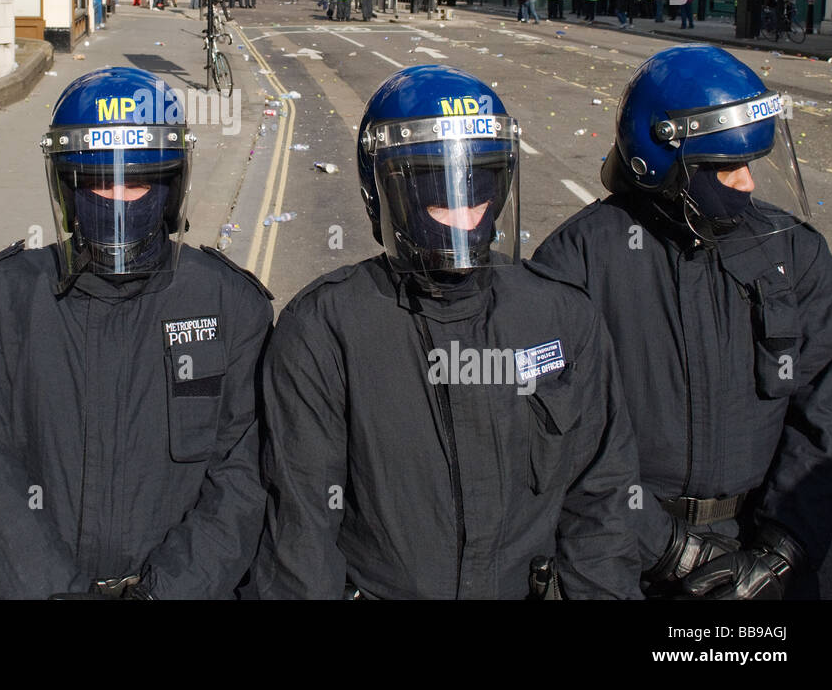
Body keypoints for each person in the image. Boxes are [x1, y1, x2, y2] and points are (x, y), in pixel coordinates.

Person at [253, 65, 642, 599]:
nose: (462, 209)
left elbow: (601, 502)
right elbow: (303, 538)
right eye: (434, 184)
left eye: (478, 180)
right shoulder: (324, 330)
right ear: (382, 191)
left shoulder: (560, 316)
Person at [0, 67, 272, 599]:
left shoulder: (229, 305)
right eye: (98, 182)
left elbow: (241, 478)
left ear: (171, 186)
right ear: (66, 187)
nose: (117, 199)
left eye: (137, 181)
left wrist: (166, 593)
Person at [534, 46, 832, 599]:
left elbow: (826, 410)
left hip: (771, 552)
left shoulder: (793, 253)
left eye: (750, 165)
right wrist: (667, 544)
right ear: (664, 164)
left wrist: (784, 547)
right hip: (624, 555)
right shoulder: (577, 263)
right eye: (726, 168)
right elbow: (556, 439)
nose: (746, 184)